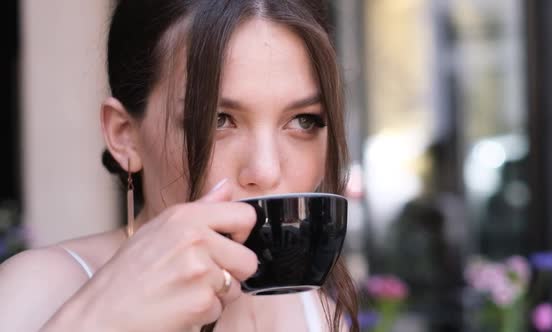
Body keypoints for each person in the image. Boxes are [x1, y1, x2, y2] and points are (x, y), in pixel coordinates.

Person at [0, 1, 359, 331]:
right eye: (218, 120)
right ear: (125, 135)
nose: (265, 170)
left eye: (303, 121)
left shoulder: (316, 313)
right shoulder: (39, 291)